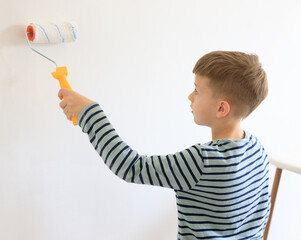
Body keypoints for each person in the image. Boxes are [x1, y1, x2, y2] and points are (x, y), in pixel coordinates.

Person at [58, 51, 270, 240]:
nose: (189, 96)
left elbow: (129, 166)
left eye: (197, 91)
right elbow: (261, 216)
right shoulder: (257, 150)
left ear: (221, 108)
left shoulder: (201, 162)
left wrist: (90, 111)